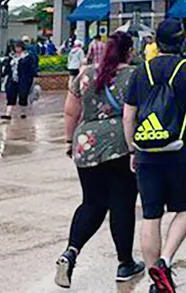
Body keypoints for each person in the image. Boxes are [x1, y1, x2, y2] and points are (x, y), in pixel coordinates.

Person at [123, 18, 186, 293]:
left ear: (157, 42)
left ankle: (155, 282)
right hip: (178, 152)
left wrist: (132, 150)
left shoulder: (140, 71)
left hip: (147, 154)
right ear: (182, 41)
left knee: (151, 215)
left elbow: (128, 117)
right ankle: (165, 261)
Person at [55, 32, 145, 288]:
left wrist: (68, 141)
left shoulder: (85, 74)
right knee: (122, 204)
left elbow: (71, 111)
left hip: (86, 143)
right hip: (121, 144)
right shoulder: (135, 75)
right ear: (130, 52)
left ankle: (70, 252)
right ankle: (125, 263)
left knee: (92, 203)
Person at [1, 40, 38, 120]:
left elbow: (32, 68)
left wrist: (33, 75)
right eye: (16, 47)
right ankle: (8, 113)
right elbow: (7, 67)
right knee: (10, 95)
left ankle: (23, 113)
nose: (17, 49)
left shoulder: (28, 56)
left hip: (24, 79)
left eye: (18, 47)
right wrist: (4, 74)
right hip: (12, 79)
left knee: (23, 96)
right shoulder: (11, 56)